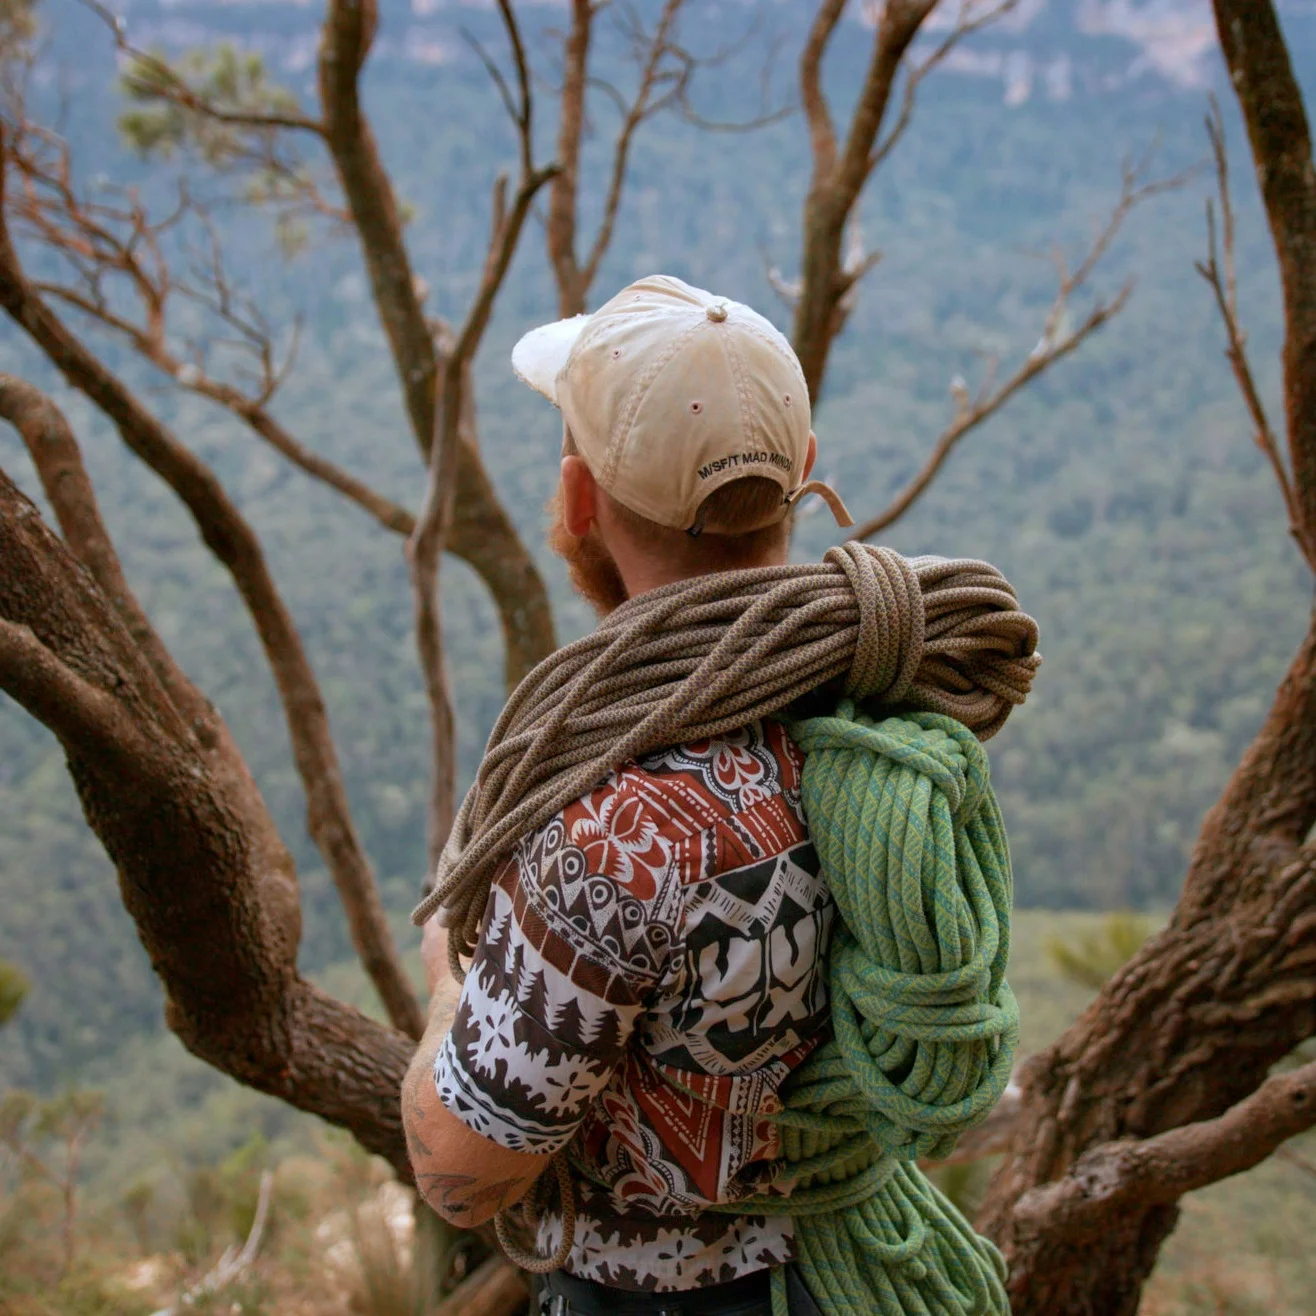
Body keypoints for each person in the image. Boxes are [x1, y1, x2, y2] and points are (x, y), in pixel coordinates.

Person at [401, 275, 1026, 1316]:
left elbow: (461, 1170)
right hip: (854, 1268)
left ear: (577, 500)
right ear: (803, 477)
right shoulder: (886, 713)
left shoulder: (611, 833)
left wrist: (444, 994)